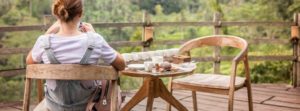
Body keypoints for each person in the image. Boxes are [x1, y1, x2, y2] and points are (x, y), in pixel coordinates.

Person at [26, 0, 125, 110]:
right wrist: (93, 35)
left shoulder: (43, 42)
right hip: (88, 106)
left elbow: (30, 62)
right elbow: (121, 65)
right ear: (80, 14)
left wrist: (48, 32)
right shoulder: (96, 40)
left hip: (54, 106)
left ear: (56, 14)